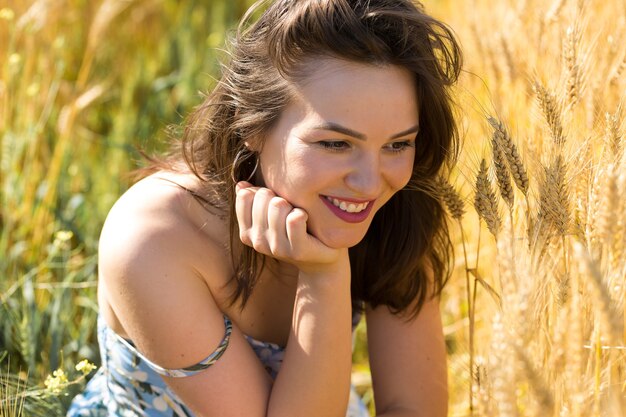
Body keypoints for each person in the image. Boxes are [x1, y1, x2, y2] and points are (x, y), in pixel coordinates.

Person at [67, 0, 462, 416]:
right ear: (251, 125)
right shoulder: (153, 240)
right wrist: (325, 276)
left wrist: (323, 271)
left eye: (397, 144)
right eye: (335, 144)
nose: (370, 182)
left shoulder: (398, 207)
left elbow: (412, 407)